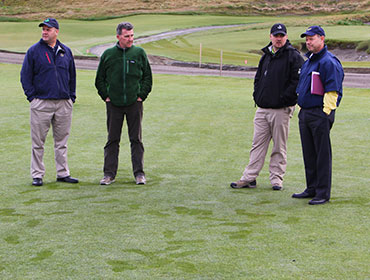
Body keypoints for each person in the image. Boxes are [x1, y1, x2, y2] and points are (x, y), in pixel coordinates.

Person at [230, 23, 304, 191]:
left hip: (281, 109)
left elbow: (297, 82)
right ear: (270, 37)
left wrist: (284, 99)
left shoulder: (293, 56)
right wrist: (257, 95)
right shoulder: (266, 56)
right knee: (257, 144)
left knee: (279, 145)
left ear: (286, 37)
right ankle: (249, 177)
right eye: (276, 36)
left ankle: (276, 179)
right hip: (262, 108)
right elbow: (258, 78)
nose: (279, 39)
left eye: (281, 36)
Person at [20, 18, 78, 186]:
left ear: (56, 32)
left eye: (48, 29)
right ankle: (37, 175)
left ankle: (63, 173)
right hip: (41, 103)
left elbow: (72, 76)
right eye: (43, 29)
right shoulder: (33, 51)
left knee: (62, 142)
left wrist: (71, 97)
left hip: (63, 103)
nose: (45, 32)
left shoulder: (65, 51)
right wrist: (32, 97)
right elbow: (25, 76)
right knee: (38, 142)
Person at [95, 22, 152, 185]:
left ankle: (139, 174)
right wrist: (106, 96)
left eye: (132, 35)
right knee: (112, 140)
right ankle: (109, 174)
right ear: (118, 36)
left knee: (136, 139)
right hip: (114, 104)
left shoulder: (139, 53)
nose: (130, 39)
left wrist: (141, 95)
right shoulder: (109, 54)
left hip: (134, 103)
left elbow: (147, 77)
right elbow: (100, 79)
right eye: (127, 36)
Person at [292, 26, 344, 205]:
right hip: (305, 113)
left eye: (311, 38)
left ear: (322, 39)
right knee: (309, 153)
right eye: (306, 39)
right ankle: (312, 187)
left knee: (321, 154)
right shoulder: (309, 60)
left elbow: (333, 90)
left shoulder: (328, 62)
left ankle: (322, 193)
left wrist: (325, 113)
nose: (308, 42)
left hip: (319, 114)